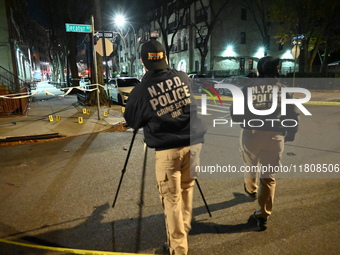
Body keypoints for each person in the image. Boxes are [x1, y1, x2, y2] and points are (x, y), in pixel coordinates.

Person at [124, 39, 207, 255]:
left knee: (171, 201)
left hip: (168, 151)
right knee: (187, 189)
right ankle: (183, 230)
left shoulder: (141, 90)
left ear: (143, 63)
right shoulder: (182, 77)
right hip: (194, 144)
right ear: (165, 58)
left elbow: (132, 121)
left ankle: (177, 249)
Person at [230, 56, 299, 231]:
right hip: (275, 135)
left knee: (250, 163)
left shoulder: (247, 89)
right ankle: (262, 215)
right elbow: (292, 115)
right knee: (269, 177)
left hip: (252, 133)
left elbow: (235, 114)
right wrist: (289, 133)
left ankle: (251, 188)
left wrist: (247, 120)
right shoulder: (283, 89)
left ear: (259, 70)